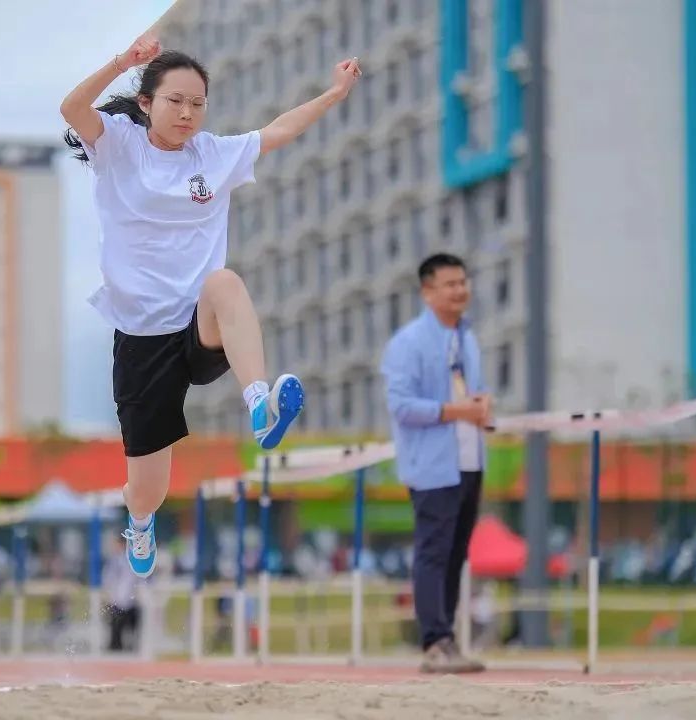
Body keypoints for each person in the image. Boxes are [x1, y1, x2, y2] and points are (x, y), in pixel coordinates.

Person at [61, 31, 361, 578]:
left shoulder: (213, 154)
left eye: (198, 104)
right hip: (142, 339)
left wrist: (334, 94)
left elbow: (279, 130)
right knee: (150, 488)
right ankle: (140, 519)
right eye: (175, 101)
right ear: (147, 102)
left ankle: (259, 406)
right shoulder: (118, 143)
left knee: (225, 282)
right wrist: (123, 61)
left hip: (197, 325)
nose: (187, 113)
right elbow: (72, 107)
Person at [380, 253, 490, 673]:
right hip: (431, 465)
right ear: (428, 291)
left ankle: (448, 639)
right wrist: (455, 411)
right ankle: (434, 642)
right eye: (450, 283)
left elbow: (473, 392)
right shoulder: (407, 343)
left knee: (457, 553)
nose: (460, 290)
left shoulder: (468, 337)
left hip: (469, 460)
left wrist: (482, 405)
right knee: (433, 552)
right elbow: (401, 405)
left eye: (463, 281)